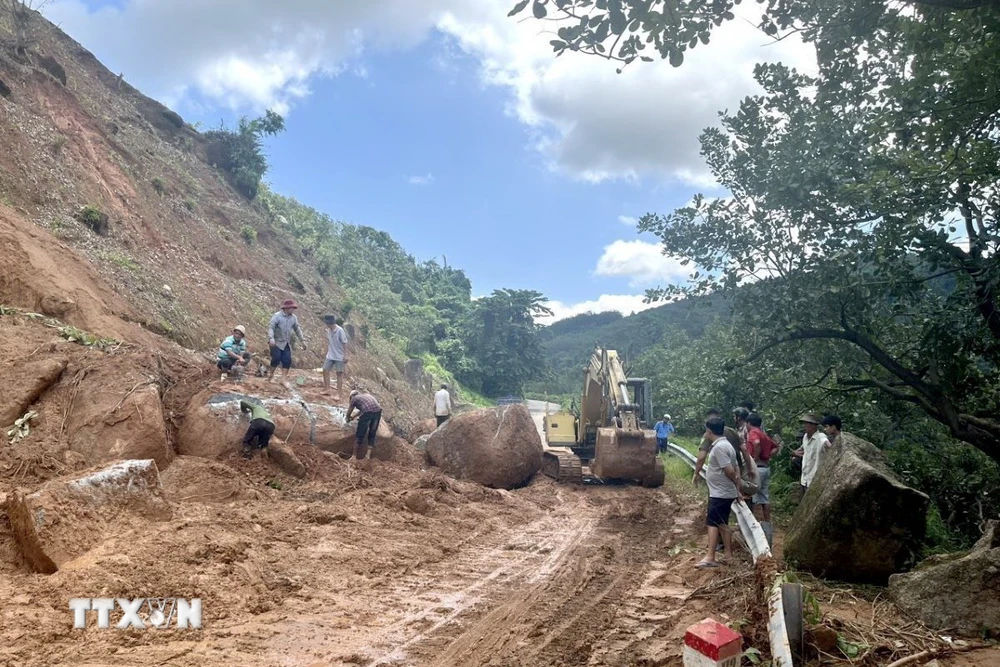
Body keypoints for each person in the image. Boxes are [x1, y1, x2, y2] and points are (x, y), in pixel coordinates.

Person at [696, 416, 741, 569]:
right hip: (723, 492)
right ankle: (728, 555)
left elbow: (729, 470)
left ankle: (710, 556)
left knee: (712, 523)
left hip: (720, 493)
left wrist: (734, 482)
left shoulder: (720, 448)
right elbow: (736, 469)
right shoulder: (726, 445)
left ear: (709, 431)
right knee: (722, 523)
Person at [746, 412, 780, 544]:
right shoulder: (764, 434)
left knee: (751, 496)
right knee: (764, 497)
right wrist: (768, 457)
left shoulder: (754, 433)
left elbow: (756, 443)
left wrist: (754, 459)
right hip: (766, 468)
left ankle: (752, 524)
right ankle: (767, 523)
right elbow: (775, 447)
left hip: (757, 468)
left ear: (749, 423)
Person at [693, 408, 743, 484]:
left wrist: (696, 473)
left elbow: (701, 457)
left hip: (721, 475)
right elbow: (744, 450)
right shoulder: (732, 431)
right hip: (737, 471)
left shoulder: (710, 435)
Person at [267, 299, 306, 383]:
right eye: (292, 308)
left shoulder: (293, 318)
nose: (293, 310)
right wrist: (271, 338)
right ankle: (271, 375)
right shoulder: (277, 316)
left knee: (287, 360)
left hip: (286, 342)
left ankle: (283, 379)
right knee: (276, 359)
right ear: (286, 308)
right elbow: (271, 327)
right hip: (276, 342)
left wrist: (302, 341)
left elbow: (297, 329)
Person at [794, 412, 831, 491]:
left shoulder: (820, 437)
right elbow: (802, 449)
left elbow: (828, 445)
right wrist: (794, 453)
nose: (804, 426)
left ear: (814, 425)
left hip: (815, 479)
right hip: (804, 478)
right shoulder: (805, 437)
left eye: (806, 424)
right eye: (804, 424)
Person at [346, 389, 382, 460]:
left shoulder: (354, 398)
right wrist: (353, 416)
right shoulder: (365, 395)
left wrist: (347, 418)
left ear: (351, 396)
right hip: (378, 412)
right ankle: (367, 456)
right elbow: (364, 408)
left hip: (368, 413)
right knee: (372, 433)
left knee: (360, 433)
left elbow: (349, 410)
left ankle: (354, 456)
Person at [322, 314, 349, 399]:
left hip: (339, 356)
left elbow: (345, 343)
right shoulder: (329, 330)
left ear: (330, 323)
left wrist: (345, 355)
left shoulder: (340, 331)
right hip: (330, 354)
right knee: (325, 370)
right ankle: (327, 389)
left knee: (339, 374)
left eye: (327, 323)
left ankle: (339, 394)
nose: (326, 325)